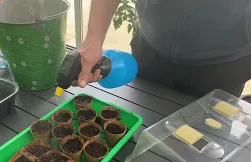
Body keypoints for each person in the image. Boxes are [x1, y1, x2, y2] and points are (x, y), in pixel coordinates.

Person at [76, 0, 251, 98]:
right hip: (150, 52)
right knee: (138, 132)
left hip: (225, 66)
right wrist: (94, 39)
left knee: (206, 153)